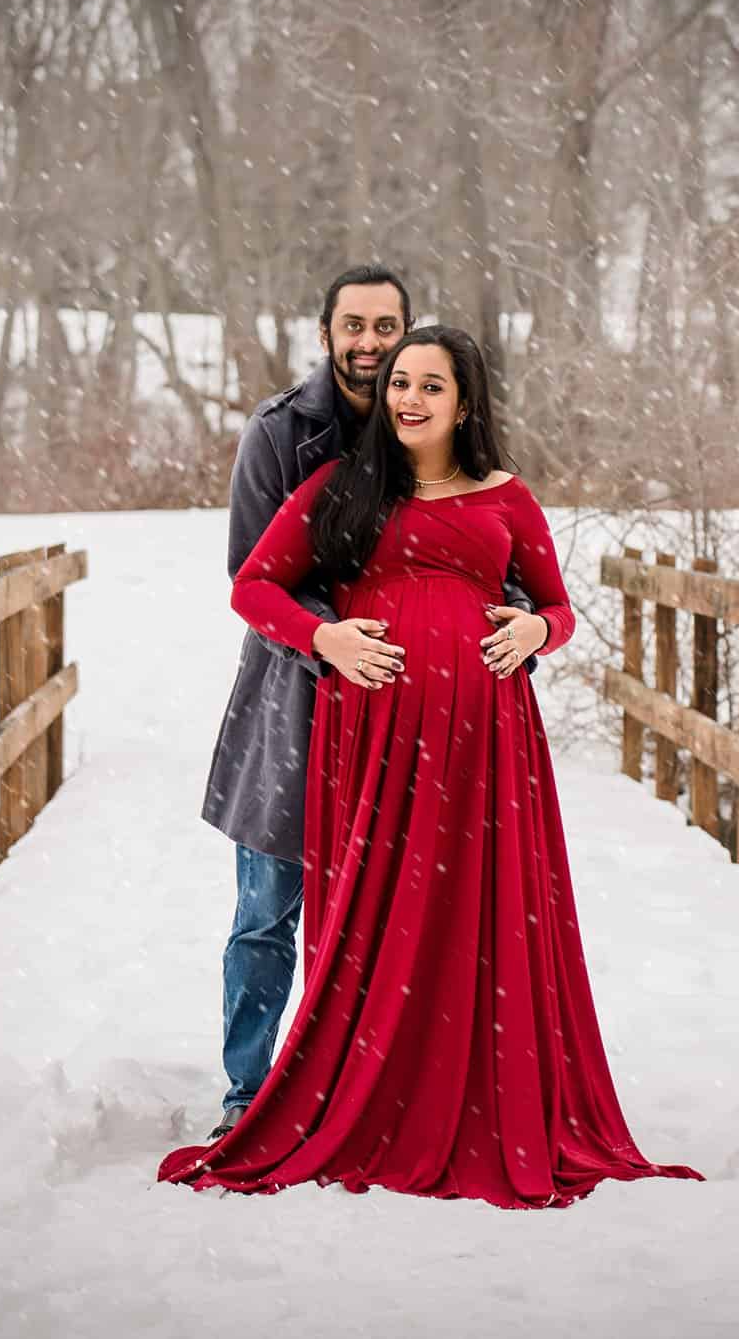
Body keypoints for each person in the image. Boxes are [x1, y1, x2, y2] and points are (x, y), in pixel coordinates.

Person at [163, 326, 701, 1208]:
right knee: (375, 921)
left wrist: (536, 631)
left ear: (465, 403)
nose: (409, 397)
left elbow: (558, 607)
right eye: (402, 382)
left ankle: (478, 1092)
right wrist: (323, 635)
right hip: (370, 741)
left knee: (477, 909)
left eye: (431, 386)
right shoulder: (344, 485)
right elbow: (253, 584)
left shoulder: (506, 498)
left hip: (487, 744)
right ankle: (374, 1095)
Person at [201, 266, 532, 1142]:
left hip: (419, 725)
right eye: (353, 324)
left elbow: (500, 570)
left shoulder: (442, 431)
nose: (369, 342)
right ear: (326, 333)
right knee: (270, 905)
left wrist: (516, 629)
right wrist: (338, 638)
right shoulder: (281, 436)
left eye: (386, 326)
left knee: (397, 907)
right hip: (295, 703)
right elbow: (255, 572)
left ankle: (369, 1082)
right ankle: (251, 1090)